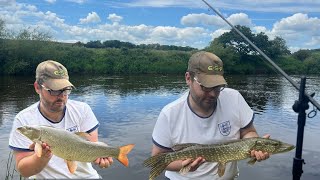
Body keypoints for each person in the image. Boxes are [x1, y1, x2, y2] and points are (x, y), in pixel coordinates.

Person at [150, 51, 270, 180]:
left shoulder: (234, 98)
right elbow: (158, 158)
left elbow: (248, 131)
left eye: (218, 87)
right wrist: (182, 165)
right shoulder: (170, 114)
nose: (213, 94)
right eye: (206, 87)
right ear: (188, 78)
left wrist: (255, 145)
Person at [8, 60, 113, 179]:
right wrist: (42, 157)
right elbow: (24, 172)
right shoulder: (24, 120)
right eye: (55, 90)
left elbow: (91, 146)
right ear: (38, 87)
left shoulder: (82, 110)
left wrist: (101, 156)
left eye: (66, 89)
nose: (62, 95)